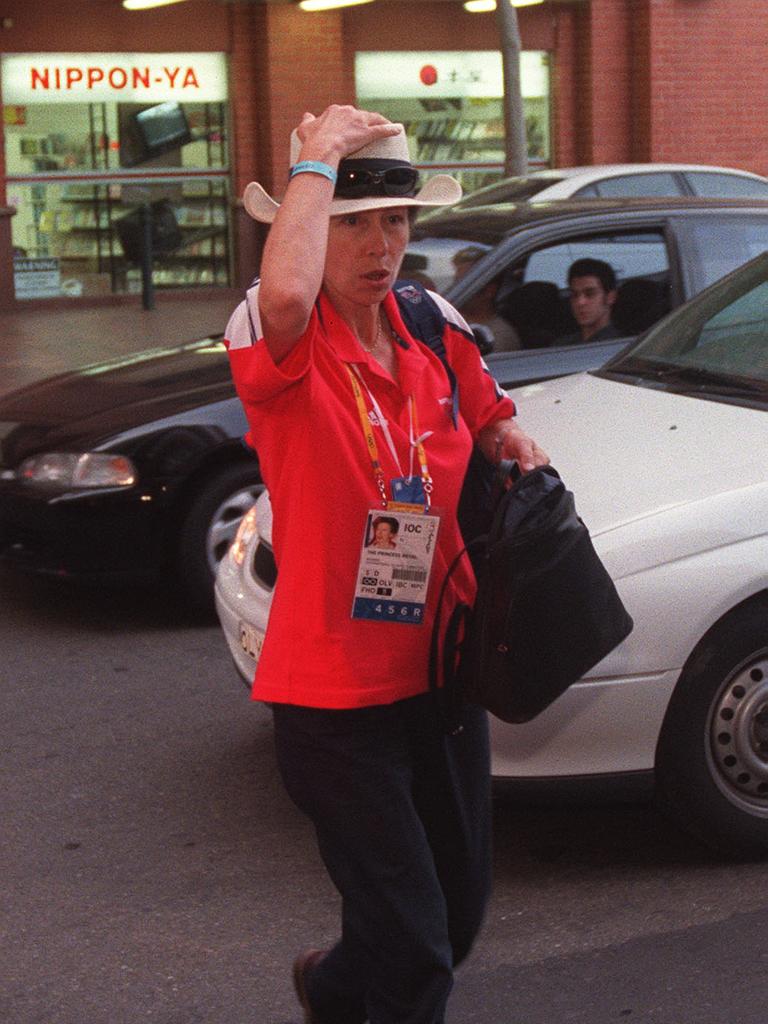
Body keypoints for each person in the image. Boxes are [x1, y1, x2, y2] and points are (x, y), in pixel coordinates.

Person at [224, 104, 549, 1024]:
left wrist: (513, 441)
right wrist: (317, 154)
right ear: (304, 226)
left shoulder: (428, 323)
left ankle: (329, 986)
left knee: (456, 915)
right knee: (416, 952)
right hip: (333, 702)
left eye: (395, 220)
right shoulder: (280, 337)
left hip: (440, 673)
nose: (380, 245)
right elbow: (286, 298)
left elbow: (487, 413)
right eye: (349, 223)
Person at [451, 245, 521, 352]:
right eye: (455, 282)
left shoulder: (499, 336)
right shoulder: (457, 323)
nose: (455, 288)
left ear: (489, 291)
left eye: (463, 284)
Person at [559, 257, 623, 344]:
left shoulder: (622, 345)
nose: (580, 302)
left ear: (610, 297)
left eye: (590, 294)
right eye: (575, 295)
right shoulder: (561, 346)